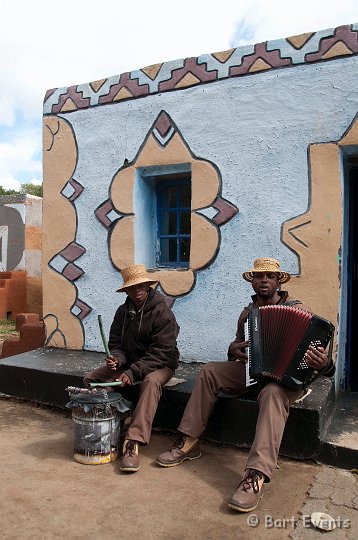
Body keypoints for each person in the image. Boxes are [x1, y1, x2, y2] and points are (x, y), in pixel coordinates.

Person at [156, 257, 334, 512]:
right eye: (259, 276)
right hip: (252, 372)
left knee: (272, 393)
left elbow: (324, 365)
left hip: (286, 381)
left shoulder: (301, 311)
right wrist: (232, 349)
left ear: (277, 282)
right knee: (209, 371)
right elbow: (239, 348)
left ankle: (256, 475)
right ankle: (188, 440)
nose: (264, 281)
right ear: (252, 281)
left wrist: (324, 363)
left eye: (269, 277)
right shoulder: (247, 313)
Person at [84, 264, 180, 473]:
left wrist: (132, 372)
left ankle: (133, 441)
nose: (137, 291)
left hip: (161, 364)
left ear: (148, 286)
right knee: (92, 379)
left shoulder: (163, 312)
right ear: (126, 290)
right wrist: (117, 360)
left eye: (141, 287)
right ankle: (120, 415)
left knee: (151, 382)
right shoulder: (123, 312)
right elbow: (116, 343)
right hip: (131, 363)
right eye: (132, 288)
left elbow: (161, 353)